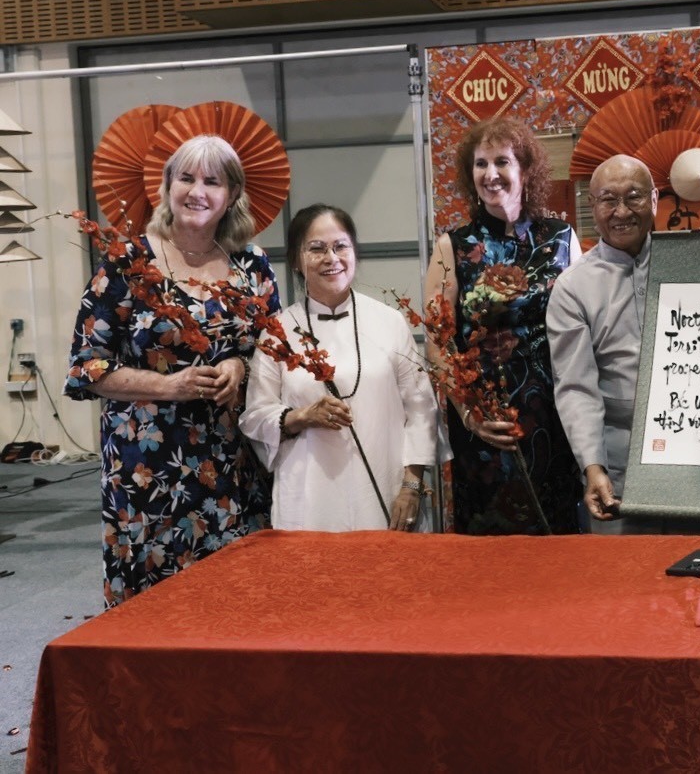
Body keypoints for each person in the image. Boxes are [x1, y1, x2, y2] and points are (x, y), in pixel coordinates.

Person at [64, 134, 279, 607]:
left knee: (236, 598)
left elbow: (275, 351)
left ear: (232, 195)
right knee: (152, 603)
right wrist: (169, 385)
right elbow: (86, 365)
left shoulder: (253, 265)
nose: (197, 191)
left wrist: (239, 366)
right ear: (167, 186)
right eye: (186, 178)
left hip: (232, 463)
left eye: (212, 182)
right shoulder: (128, 263)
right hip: (147, 468)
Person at [241, 204, 443, 531]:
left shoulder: (389, 322)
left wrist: (411, 486)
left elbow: (421, 409)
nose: (331, 258)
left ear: (355, 253)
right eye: (316, 248)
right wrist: (301, 416)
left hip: (387, 491)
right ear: (295, 260)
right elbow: (255, 416)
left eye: (340, 246)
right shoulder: (278, 331)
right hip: (308, 497)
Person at [424, 116, 583, 535]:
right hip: (485, 424)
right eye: (481, 164)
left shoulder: (562, 238)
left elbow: (583, 327)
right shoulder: (452, 247)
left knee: (560, 540)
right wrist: (467, 413)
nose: (490, 174)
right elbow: (437, 342)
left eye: (502, 162)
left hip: (555, 416)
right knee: (490, 547)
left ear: (525, 170)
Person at [549, 154, 681, 533]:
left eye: (634, 197)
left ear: (654, 200)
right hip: (617, 461)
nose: (621, 212)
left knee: (697, 563)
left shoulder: (688, 263)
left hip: (690, 452)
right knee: (624, 567)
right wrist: (593, 467)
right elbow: (576, 388)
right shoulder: (573, 286)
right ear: (592, 206)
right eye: (609, 200)